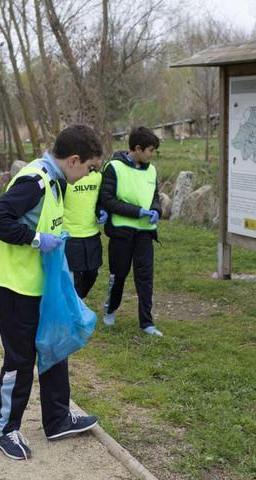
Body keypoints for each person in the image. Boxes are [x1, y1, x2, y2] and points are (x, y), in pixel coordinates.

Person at [0, 124, 102, 460]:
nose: (89, 175)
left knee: (54, 345)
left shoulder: (56, 180)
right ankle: (5, 430)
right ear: (75, 160)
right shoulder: (34, 181)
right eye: (90, 168)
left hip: (39, 284)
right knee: (20, 359)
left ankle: (57, 418)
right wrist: (36, 240)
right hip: (13, 286)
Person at [100, 126, 163, 337]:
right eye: (150, 150)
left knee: (145, 278)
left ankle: (147, 322)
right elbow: (107, 200)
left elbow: (155, 195)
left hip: (145, 233)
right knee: (119, 275)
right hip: (121, 233)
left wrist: (156, 210)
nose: (152, 154)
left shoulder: (151, 170)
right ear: (137, 148)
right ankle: (110, 310)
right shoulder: (113, 167)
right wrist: (138, 212)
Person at [63, 165, 108, 298]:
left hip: (91, 234)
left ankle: (78, 302)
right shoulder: (64, 177)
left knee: (93, 272)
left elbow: (100, 201)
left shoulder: (98, 177)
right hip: (69, 235)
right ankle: (74, 310)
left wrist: (101, 211)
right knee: (75, 277)